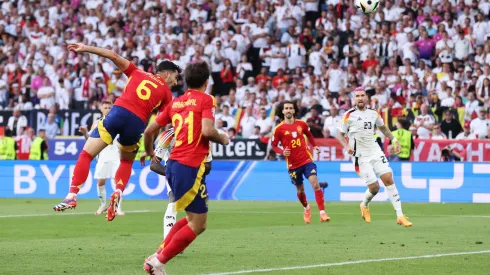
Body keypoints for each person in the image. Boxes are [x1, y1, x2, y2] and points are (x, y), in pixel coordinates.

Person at [53, 43, 181, 223]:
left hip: (118, 113)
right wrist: (151, 149)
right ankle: (118, 191)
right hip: (137, 123)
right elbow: (159, 123)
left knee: (86, 154)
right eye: (175, 77)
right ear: (166, 74)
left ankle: (72, 195)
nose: (175, 82)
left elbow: (112, 55)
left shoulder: (137, 72)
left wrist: (85, 48)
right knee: (127, 161)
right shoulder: (167, 94)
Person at [141, 62, 229, 274]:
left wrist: (150, 151)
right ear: (206, 82)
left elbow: (149, 131)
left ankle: (158, 254)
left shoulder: (175, 103)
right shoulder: (207, 99)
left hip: (174, 165)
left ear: (185, 81)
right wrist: (223, 138)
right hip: (190, 165)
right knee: (197, 224)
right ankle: (157, 263)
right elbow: (208, 131)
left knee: (195, 221)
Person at [336, 87, 412, 227]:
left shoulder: (373, 113)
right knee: (374, 187)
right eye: (357, 96)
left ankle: (400, 215)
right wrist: (346, 146)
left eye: (362, 95)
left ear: (366, 97)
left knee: (388, 178)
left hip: (375, 151)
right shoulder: (348, 115)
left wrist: (394, 140)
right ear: (354, 98)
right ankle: (364, 205)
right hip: (360, 156)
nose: (360, 98)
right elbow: (340, 134)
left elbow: (383, 128)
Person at [271, 100, 331, 224]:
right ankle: (306, 208)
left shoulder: (302, 124)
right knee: (300, 190)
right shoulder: (278, 129)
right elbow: (274, 146)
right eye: (286, 108)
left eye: (290, 108)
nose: (288, 110)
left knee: (315, 184)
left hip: (306, 159)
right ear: (282, 111)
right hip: (293, 165)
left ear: (294, 110)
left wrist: (315, 146)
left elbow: (309, 135)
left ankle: (322, 213)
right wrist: (282, 152)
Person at [79, 100, 124, 216]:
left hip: (115, 155)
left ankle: (117, 207)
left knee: (117, 182)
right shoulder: (97, 123)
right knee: (100, 182)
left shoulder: (118, 122)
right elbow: (90, 140)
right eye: (105, 107)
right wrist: (85, 133)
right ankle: (103, 204)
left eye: (110, 107)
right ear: (101, 109)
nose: (107, 109)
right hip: (102, 155)